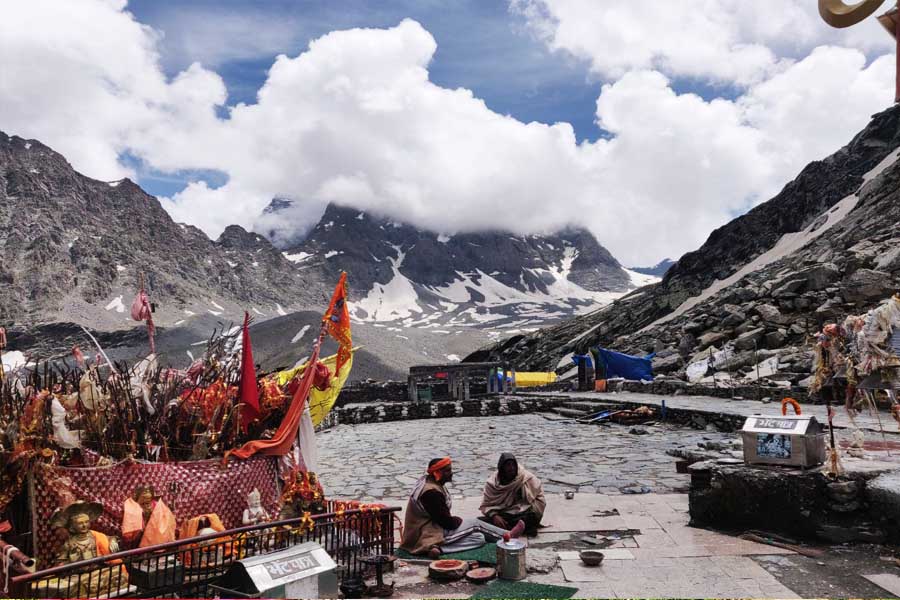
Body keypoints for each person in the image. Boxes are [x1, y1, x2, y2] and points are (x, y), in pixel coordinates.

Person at [400, 457, 524, 558]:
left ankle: (439, 549)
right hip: (426, 534)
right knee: (475, 524)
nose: (451, 473)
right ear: (438, 473)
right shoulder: (431, 492)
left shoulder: (430, 482)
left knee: (479, 538)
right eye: (448, 471)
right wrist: (459, 520)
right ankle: (508, 536)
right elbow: (448, 523)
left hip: (430, 528)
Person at [479, 453, 546, 536]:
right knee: (479, 521)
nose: (512, 468)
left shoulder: (524, 477)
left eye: (513, 465)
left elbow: (538, 496)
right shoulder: (492, 484)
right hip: (504, 513)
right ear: (502, 468)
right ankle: (518, 529)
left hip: (523, 511)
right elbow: (486, 505)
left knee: (530, 517)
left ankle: (509, 529)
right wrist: (494, 516)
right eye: (508, 465)